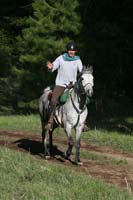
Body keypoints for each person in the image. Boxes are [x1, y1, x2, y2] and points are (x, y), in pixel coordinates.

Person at [45, 41, 83, 131]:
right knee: (54, 100)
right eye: (70, 50)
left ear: (75, 51)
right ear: (67, 50)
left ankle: (83, 122)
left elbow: (81, 72)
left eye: (73, 50)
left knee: (83, 98)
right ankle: (50, 121)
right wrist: (50, 67)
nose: (71, 52)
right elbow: (53, 66)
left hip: (73, 85)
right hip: (61, 84)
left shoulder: (77, 60)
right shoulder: (61, 58)